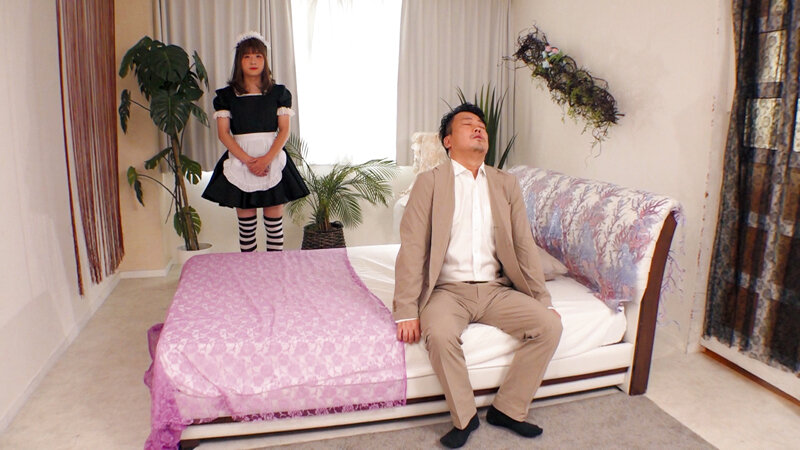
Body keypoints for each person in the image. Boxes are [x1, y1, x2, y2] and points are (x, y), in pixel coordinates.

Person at [393, 103, 563, 448]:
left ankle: (508, 410)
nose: (478, 128)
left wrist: (542, 300)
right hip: (446, 291)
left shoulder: (506, 184)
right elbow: (412, 246)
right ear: (447, 141)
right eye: (468, 124)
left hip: (496, 290)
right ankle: (465, 417)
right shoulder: (429, 183)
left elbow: (523, 246)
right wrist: (406, 309)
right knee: (440, 335)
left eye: (482, 126)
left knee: (549, 326)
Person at [202, 31, 309, 252]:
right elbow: (224, 134)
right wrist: (250, 161)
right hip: (240, 160)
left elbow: (284, 130)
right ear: (239, 61)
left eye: (258, 56)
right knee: (247, 228)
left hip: (273, 159)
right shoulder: (226, 96)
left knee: (274, 226)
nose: (253, 61)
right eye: (247, 56)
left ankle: (274, 269)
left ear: (265, 60)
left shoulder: (279, 93)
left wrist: (266, 160)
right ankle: (250, 270)